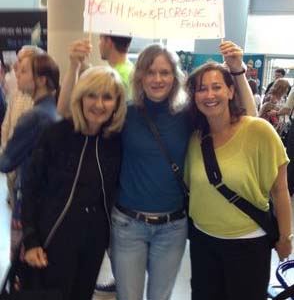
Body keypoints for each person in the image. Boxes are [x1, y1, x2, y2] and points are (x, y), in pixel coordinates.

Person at [57, 39, 256, 300]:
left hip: (172, 228)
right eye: (150, 72)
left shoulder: (187, 114)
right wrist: (73, 67)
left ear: (175, 77)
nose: (157, 79)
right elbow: (64, 117)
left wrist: (238, 71)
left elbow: (249, 120)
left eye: (165, 72)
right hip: (127, 226)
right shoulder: (123, 113)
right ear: (140, 76)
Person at [185, 61, 292, 300]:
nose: (209, 94)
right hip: (203, 244)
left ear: (231, 91)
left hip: (249, 246)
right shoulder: (195, 139)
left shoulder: (259, 131)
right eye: (202, 89)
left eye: (217, 87)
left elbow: (280, 189)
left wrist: (286, 237)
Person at [21, 66, 126, 300]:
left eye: (107, 97)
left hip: (93, 242)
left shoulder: (115, 142)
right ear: (80, 97)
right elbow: (30, 187)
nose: (98, 104)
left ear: (117, 104)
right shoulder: (57, 134)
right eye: (91, 95)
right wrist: (30, 240)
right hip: (53, 237)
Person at [0, 53, 60, 256]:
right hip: (49, 201)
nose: (17, 74)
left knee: (20, 260)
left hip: (28, 199)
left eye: (24, 71)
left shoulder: (33, 117)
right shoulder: (54, 110)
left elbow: (6, 162)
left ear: (42, 80)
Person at [1, 46, 42, 208]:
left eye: (22, 64)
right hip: (11, 165)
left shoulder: (41, 104)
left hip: (24, 173)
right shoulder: (17, 91)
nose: (15, 66)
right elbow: (6, 125)